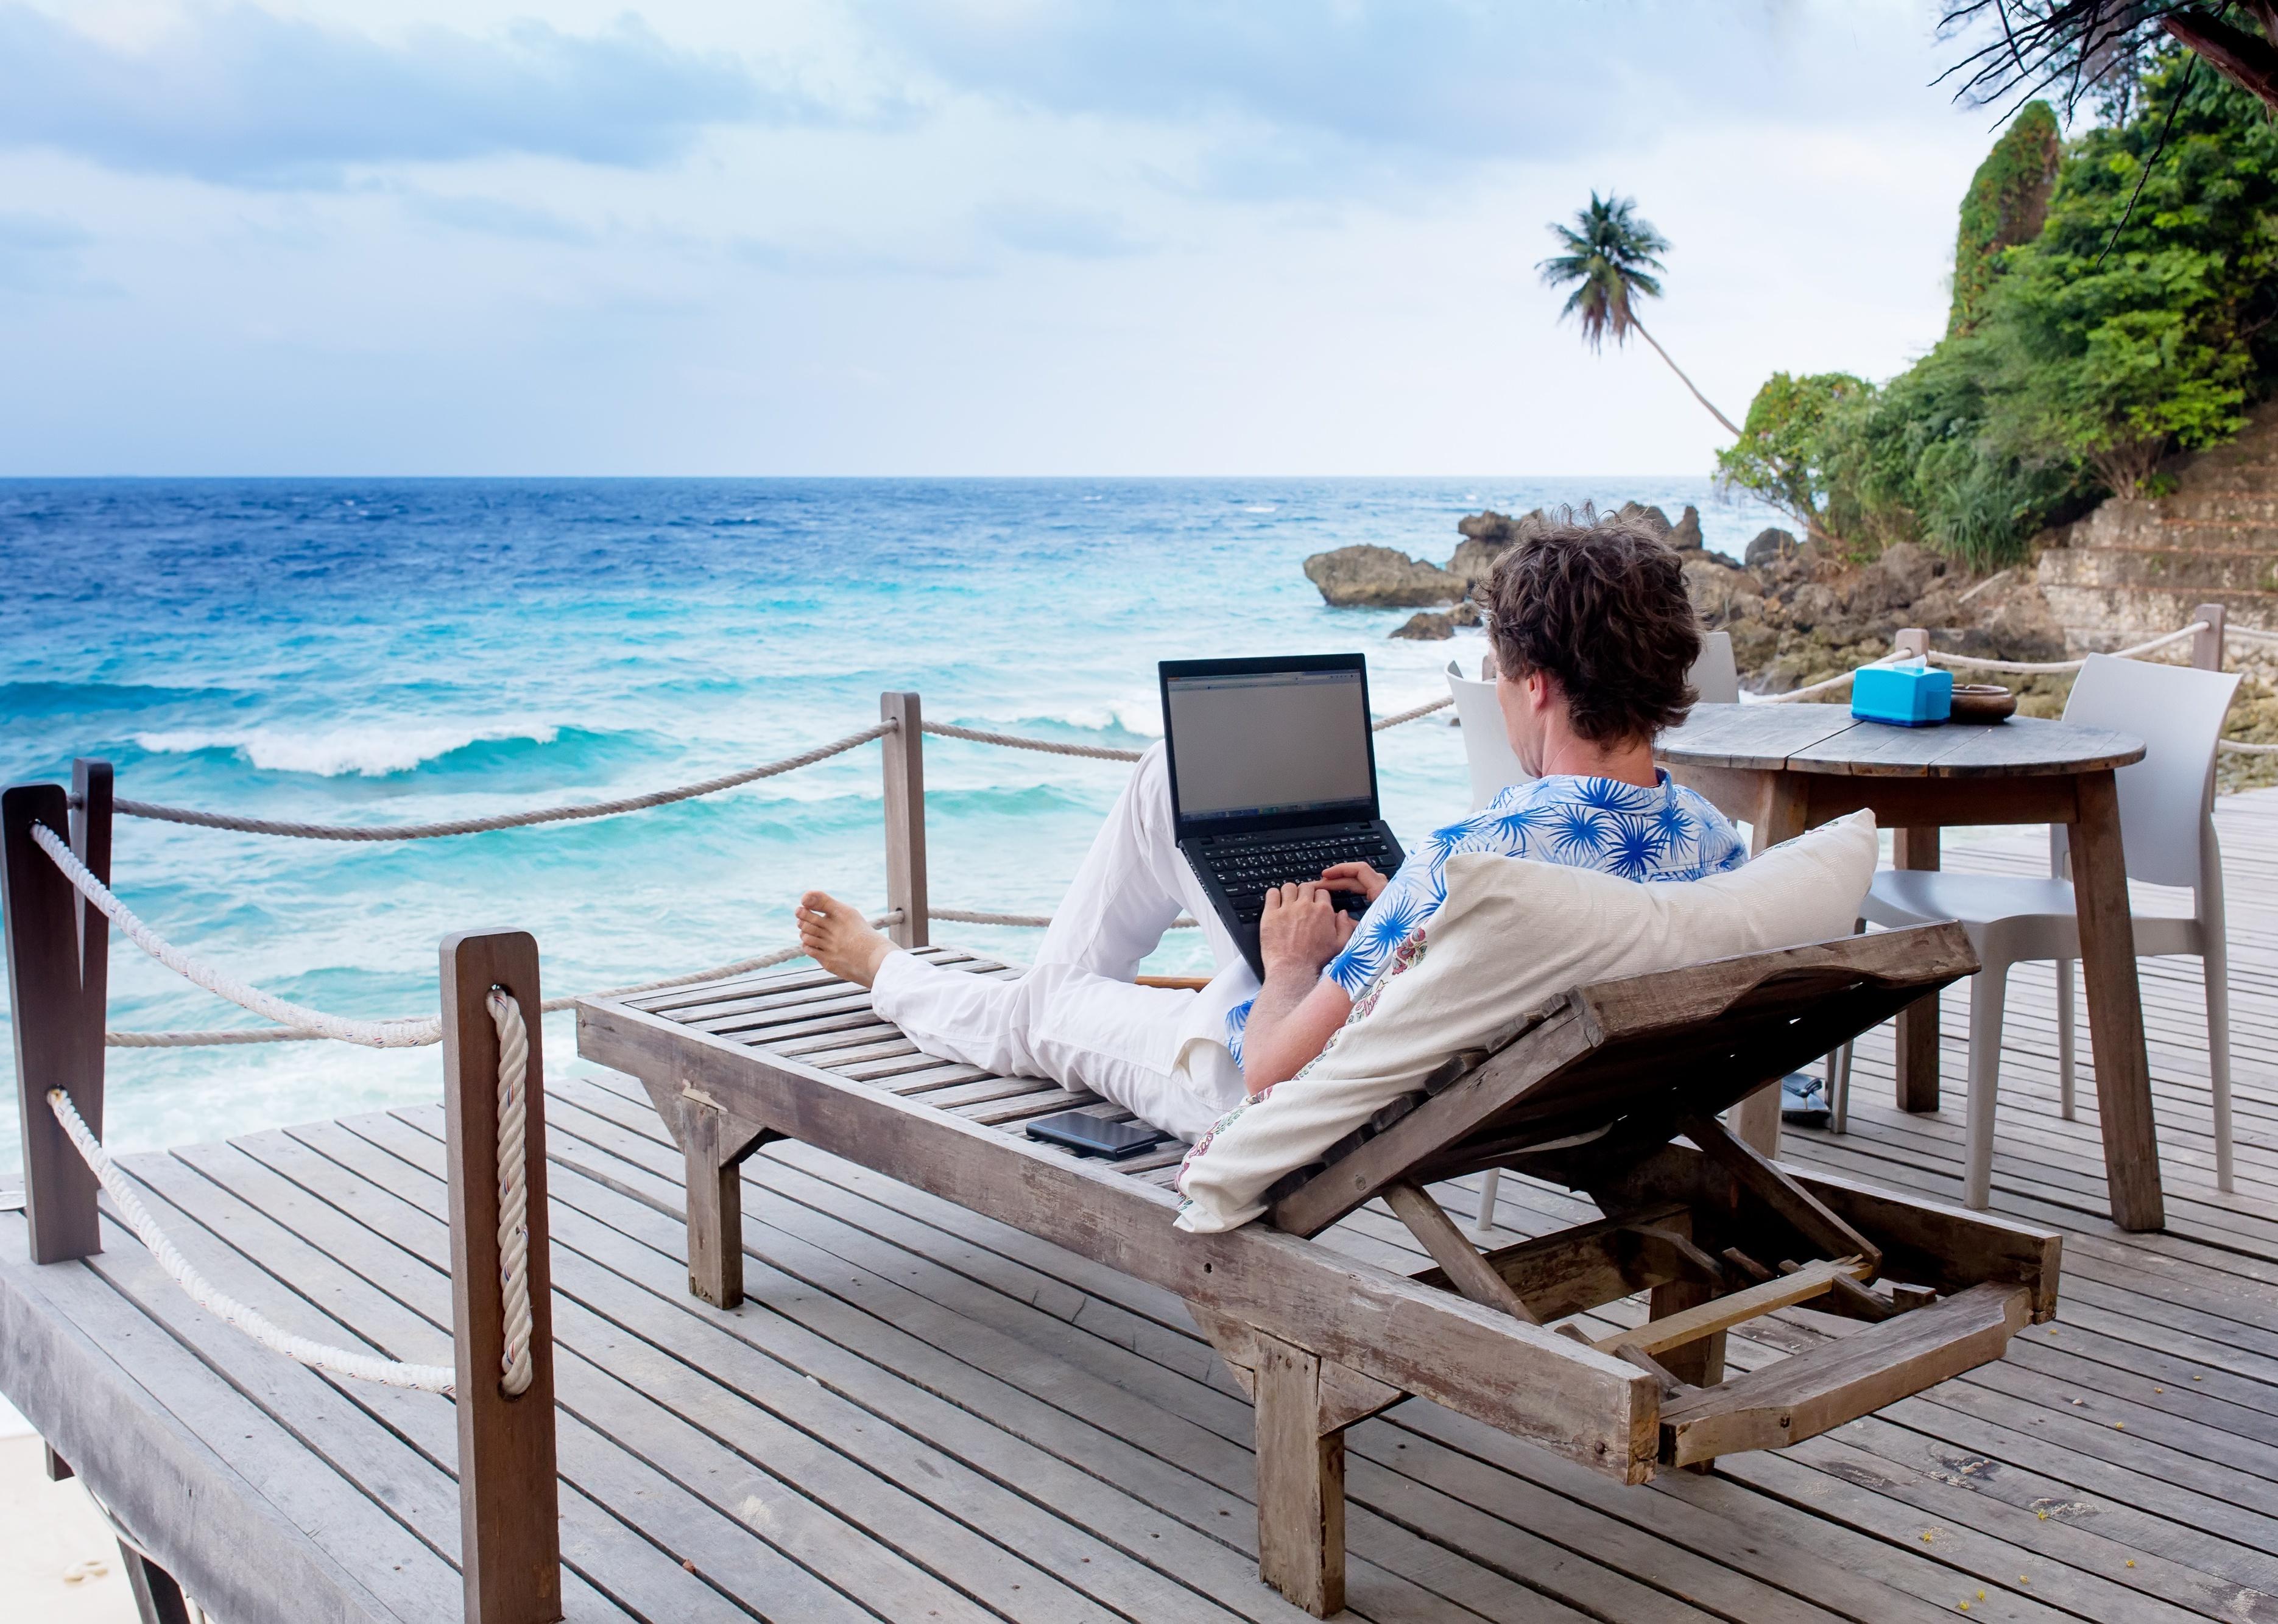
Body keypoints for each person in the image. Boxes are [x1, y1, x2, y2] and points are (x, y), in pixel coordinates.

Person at [797, 507, 1747, 1144]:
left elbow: (1269, 1072)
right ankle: (1041, 976)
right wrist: (1396, 914)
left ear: (1535, 683)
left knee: (1042, 1007)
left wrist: (1294, 962)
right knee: (1173, 777)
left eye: (1498, 673)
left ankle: (891, 972)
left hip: (1298, 1086)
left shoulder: (1482, 854)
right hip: (1482, 1062)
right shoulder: (1709, 841)